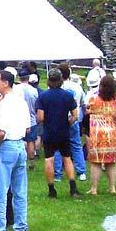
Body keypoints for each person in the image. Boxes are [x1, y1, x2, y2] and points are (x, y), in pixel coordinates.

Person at [0, 70, 29, 231]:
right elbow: (27, 128)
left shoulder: (4, 104)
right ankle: (21, 227)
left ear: (5, 83)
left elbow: (1, 133)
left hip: (7, 147)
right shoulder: (21, 102)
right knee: (20, 190)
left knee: (0, 191)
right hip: (20, 145)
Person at [36, 70, 80, 199]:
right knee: (67, 158)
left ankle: (52, 189)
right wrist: (68, 123)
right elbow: (75, 115)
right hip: (63, 131)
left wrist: (46, 123)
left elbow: (40, 117)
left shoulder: (43, 96)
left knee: (49, 159)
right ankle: (73, 187)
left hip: (49, 131)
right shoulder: (67, 95)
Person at [85, 75, 116, 195]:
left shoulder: (94, 99)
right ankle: (112, 188)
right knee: (111, 161)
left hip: (97, 132)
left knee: (96, 161)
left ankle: (94, 189)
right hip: (112, 132)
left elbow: (87, 110)